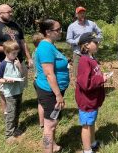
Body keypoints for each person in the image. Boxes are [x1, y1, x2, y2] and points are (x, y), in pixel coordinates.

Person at [0, 4, 32, 114]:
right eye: (8, 12)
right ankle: (6, 111)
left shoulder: (16, 25)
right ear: (0, 13)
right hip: (2, 63)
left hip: (18, 62)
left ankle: (17, 107)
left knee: (19, 85)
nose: (11, 14)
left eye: (11, 11)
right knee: (3, 89)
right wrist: (7, 49)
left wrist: (28, 58)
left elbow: (22, 43)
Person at [34, 19, 70, 153]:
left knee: (53, 122)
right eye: (58, 29)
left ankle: (53, 146)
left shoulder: (51, 45)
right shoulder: (45, 47)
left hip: (55, 90)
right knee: (49, 126)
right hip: (50, 92)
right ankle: (47, 150)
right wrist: (58, 95)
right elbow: (49, 74)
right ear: (48, 32)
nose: (61, 31)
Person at [75, 32, 110, 153]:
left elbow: (93, 76)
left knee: (92, 122)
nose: (98, 43)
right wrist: (101, 79)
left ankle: (93, 142)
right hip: (87, 101)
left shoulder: (91, 58)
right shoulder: (84, 61)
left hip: (93, 99)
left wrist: (101, 75)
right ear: (86, 45)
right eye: (95, 42)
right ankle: (87, 150)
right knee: (86, 125)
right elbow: (85, 84)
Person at [0, 40, 25, 143]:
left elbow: (21, 74)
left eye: (17, 53)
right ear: (6, 52)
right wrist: (6, 80)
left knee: (17, 111)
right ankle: (9, 134)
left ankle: (15, 129)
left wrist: (19, 66)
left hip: (18, 91)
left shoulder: (16, 62)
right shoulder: (3, 65)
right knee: (11, 113)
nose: (16, 55)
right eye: (13, 53)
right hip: (10, 93)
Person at [66, 6, 102, 80]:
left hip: (90, 54)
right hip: (78, 54)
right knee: (78, 75)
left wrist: (96, 41)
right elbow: (68, 39)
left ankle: (91, 89)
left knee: (92, 73)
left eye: (83, 13)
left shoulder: (91, 24)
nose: (82, 14)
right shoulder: (72, 26)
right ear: (76, 15)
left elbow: (99, 32)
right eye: (80, 13)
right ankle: (79, 89)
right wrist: (78, 42)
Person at [32, 32, 45, 128]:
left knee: (40, 102)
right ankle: (44, 123)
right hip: (42, 80)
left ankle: (42, 124)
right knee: (43, 102)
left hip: (36, 79)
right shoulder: (41, 52)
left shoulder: (34, 52)